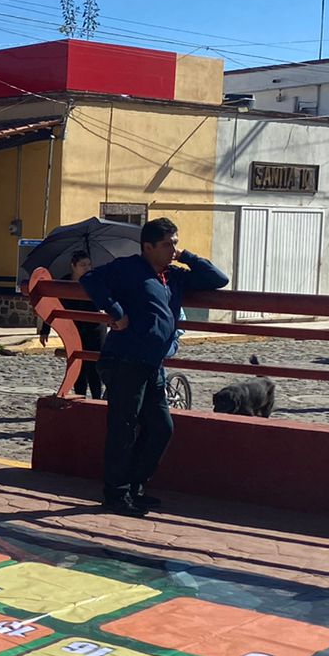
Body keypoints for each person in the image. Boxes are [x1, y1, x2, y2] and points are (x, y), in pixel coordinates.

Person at [80, 217, 229, 517]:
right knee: (122, 428)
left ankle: (135, 487)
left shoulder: (174, 276)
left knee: (161, 427)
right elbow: (90, 280)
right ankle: (116, 494)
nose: (172, 249)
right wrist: (117, 311)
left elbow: (218, 279)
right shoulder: (128, 268)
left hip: (152, 365)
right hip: (124, 361)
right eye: (167, 244)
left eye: (175, 242)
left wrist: (188, 257)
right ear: (147, 247)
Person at [38, 250, 106, 399]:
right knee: (77, 367)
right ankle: (79, 400)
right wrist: (45, 330)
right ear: (73, 266)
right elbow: (52, 304)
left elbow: (107, 302)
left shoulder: (96, 281)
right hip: (74, 330)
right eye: (83, 265)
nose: (87, 268)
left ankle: (96, 401)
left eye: (89, 264)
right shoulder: (64, 283)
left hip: (94, 330)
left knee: (94, 368)